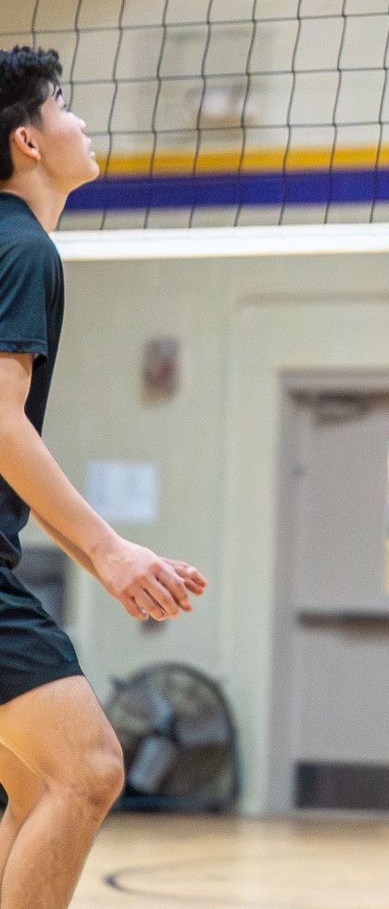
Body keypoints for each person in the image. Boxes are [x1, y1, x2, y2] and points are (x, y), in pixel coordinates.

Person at [0, 47, 206, 909]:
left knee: (31, 789)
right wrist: (110, 551)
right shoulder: (22, 251)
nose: (82, 120)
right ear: (30, 141)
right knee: (88, 769)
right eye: (66, 105)